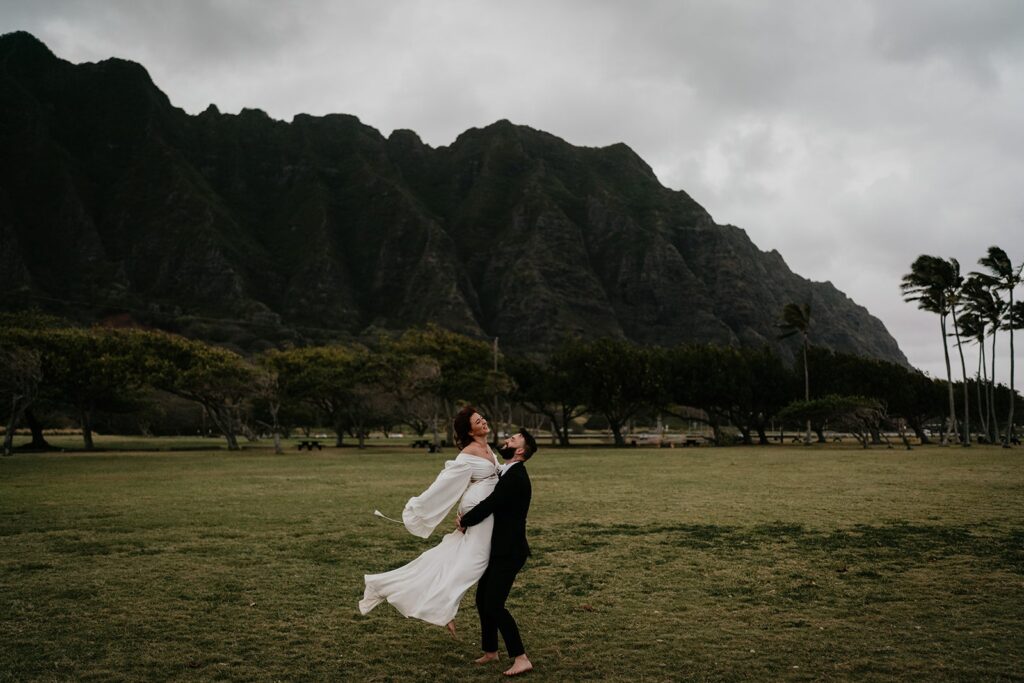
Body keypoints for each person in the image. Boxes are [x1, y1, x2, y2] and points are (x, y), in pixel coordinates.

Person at [358, 406, 499, 637]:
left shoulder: (487, 448)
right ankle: (441, 609)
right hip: (477, 512)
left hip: (486, 512)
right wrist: (418, 508)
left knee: (455, 557)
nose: (483, 421)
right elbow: (443, 484)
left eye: (482, 418)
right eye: (478, 420)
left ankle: (391, 587)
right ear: (470, 430)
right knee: (473, 563)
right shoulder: (467, 454)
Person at [456, 428, 537, 677]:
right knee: (483, 600)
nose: (506, 440)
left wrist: (465, 520)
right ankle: (491, 651)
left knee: (494, 604)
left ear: (520, 450)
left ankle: (521, 658)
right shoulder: (507, 472)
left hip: (510, 552)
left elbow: (492, 503)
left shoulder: (516, 477)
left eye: (512, 440)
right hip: (498, 548)